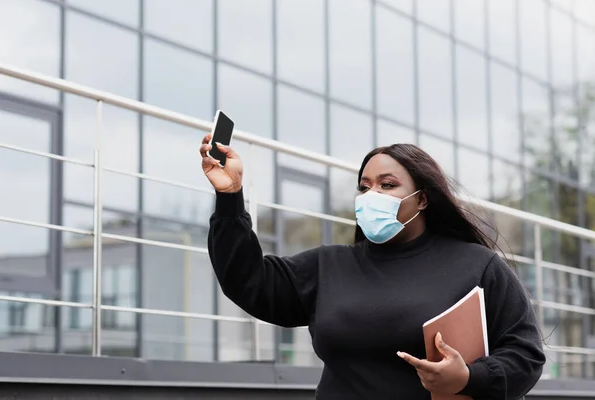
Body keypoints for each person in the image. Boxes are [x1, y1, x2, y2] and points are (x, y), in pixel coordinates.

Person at [200, 133, 545, 399]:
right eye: (364, 187)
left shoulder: (477, 266)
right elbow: (247, 280)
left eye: (387, 185)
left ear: (422, 198)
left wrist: (469, 377)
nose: (371, 195)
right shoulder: (328, 266)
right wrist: (231, 197)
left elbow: (526, 355)